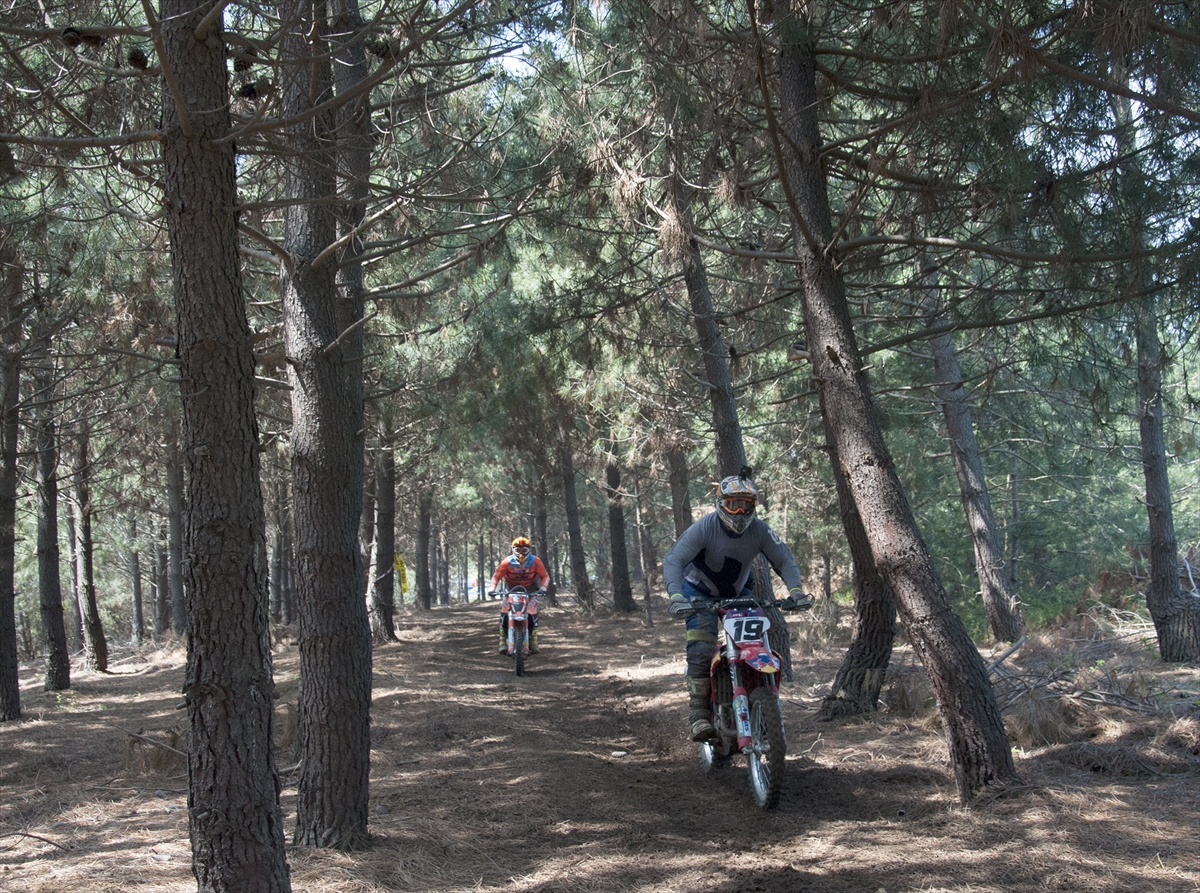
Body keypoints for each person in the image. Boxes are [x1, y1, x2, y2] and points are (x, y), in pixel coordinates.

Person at [663, 472, 812, 742]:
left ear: (755, 506)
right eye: (734, 505)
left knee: (754, 644)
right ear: (721, 505)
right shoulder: (704, 528)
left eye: (746, 505)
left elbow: (785, 560)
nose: (741, 512)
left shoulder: (761, 530)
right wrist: (676, 595)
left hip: (738, 592)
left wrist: (796, 591)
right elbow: (674, 559)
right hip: (698, 593)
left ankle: (757, 698)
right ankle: (698, 714)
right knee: (701, 646)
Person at [489, 536, 549, 654]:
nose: (521, 553)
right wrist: (492, 588)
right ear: (513, 550)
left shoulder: (535, 561)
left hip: (530, 590)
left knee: (533, 614)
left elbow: (545, 576)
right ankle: (502, 640)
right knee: (504, 613)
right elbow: (496, 576)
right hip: (511, 590)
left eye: (524, 551)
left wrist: (543, 588)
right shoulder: (507, 561)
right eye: (518, 550)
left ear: (529, 551)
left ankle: (533, 640)